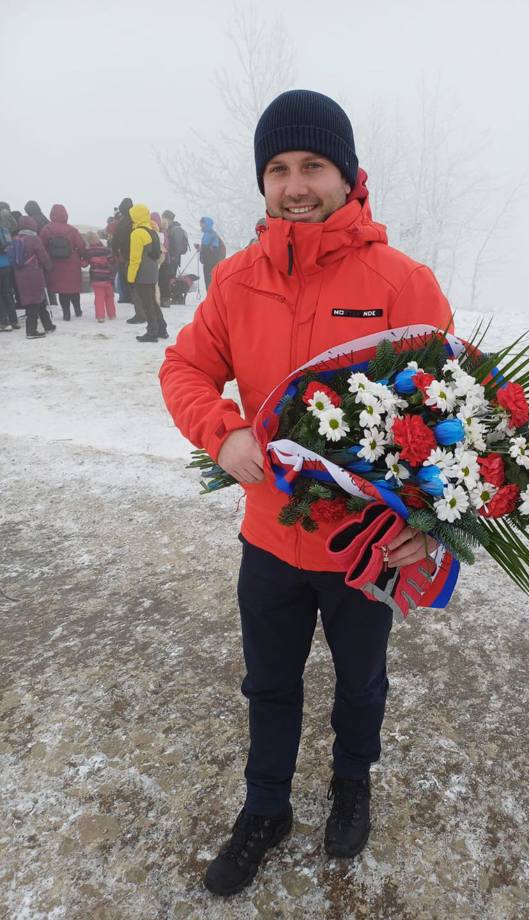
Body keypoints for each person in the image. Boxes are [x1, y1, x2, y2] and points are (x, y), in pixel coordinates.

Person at [159, 89, 453, 896]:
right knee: (269, 682)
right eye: (279, 168)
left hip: (365, 547)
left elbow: (453, 417)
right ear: (263, 182)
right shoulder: (236, 280)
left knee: (361, 680)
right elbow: (184, 368)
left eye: (312, 165)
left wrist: (430, 525)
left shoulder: (401, 282)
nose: (295, 184)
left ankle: (352, 779)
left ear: (347, 174)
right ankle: (266, 806)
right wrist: (224, 432)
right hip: (269, 541)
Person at [127, 203, 168, 343]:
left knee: (147, 304)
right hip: (152, 271)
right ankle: (162, 328)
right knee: (153, 302)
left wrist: (131, 277)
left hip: (142, 273)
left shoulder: (137, 233)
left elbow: (135, 258)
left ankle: (152, 332)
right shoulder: (151, 230)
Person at [12, 216, 56, 338]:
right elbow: (43, 256)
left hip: (19, 274)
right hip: (34, 273)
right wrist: (49, 266)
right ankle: (31, 331)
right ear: (32, 225)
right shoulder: (34, 239)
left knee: (38, 299)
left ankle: (48, 325)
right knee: (33, 301)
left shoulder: (16, 238)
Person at [39, 204, 85, 320]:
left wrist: (45, 260)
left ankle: (66, 314)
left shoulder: (46, 229)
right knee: (73, 288)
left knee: (62, 290)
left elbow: (41, 246)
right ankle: (78, 310)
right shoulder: (72, 230)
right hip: (72, 263)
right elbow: (81, 246)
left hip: (55, 264)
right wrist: (84, 257)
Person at [24, 201, 57, 307]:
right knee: (49, 278)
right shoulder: (45, 219)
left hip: (37, 252)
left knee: (41, 279)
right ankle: (53, 301)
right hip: (49, 251)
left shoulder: (32, 220)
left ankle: (44, 301)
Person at [111, 197, 140, 317]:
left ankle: (130, 299)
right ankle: (136, 300)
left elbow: (115, 240)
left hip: (126, 254)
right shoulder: (137, 220)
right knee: (137, 279)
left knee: (127, 277)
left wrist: (115, 252)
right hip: (138, 254)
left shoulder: (122, 222)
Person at [82, 231, 117, 322]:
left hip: (96, 278)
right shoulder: (106, 250)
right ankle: (112, 315)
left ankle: (100, 316)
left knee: (99, 297)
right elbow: (112, 261)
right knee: (109, 297)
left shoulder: (88, 252)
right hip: (108, 277)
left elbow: (84, 264)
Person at [0, 209, 20, 331]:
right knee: (7, 293)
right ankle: (14, 320)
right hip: (7, 264)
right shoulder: (5, 230)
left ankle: (3, 322)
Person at [196, 216, 226, 290]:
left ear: (207, 224)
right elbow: (208, 248)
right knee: (209, 283)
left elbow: (213, 249)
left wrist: (202, 248)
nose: (201, 226)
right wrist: (200, 247)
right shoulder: (207, 234)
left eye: (202, 224)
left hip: (212, 263)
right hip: (208, 263)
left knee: (210, 283)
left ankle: (212, 300)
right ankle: (211, 299)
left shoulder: (212, 235)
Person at [161, 209, 188, 288]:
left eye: (163, 218)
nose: (162, 220)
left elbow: (177, 247)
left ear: (169, 219)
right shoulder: (169, 228)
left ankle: (168, 298)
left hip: (172, 260)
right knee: (166, 280)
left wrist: (171, 255)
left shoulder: (176, 230)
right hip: (170, 259)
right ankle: (168, 297)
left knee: (168, 280)